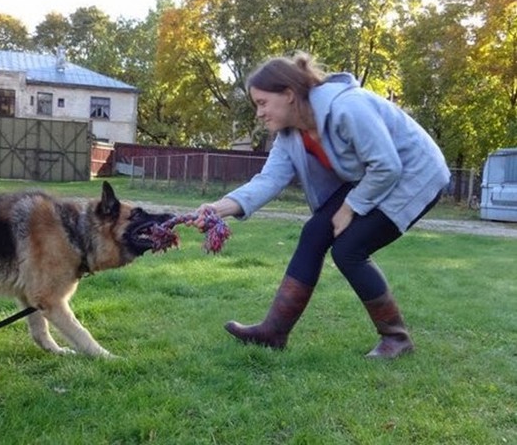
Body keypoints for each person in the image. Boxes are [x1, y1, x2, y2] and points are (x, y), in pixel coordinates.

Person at [189, 52, 450, 359]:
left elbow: (388, 165)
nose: (258, 113)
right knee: (315, 232)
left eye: (262, 102)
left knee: (348, 250)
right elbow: (269, 180)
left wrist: (350, 206)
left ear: (288, 94)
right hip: (375, 177)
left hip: (416, 174)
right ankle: (274, 332)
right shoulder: (290, 135)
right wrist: (218, 208)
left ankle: (397, 338)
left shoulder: (347, 107)